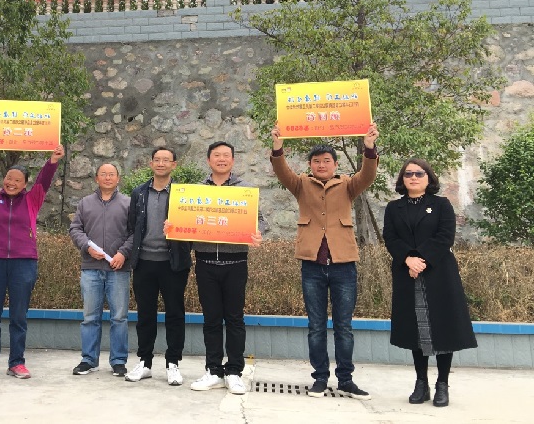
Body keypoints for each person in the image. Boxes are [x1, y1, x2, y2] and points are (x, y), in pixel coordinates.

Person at [270, 122, 379, 400]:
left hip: (344, 265)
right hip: (312, 266)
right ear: (310, 165)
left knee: (344, 327)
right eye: (316, 161)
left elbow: (368, 175)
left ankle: (346, 380)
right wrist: (278, 147)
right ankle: (319, 378)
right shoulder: (301, 184)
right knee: (316, 326)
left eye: (326, 161)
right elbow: (282, 171)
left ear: (335, 164)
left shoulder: (348, 185)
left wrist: (369, 148)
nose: (321, 165)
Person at [383, 158, 477, 408]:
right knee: (416, 328)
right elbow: (390, 237)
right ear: (402, 179)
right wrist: (408, 259)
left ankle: (442, 384)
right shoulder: (393, 208)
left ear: (429, 178)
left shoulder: (441, 204)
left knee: (442, 326)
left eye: (419, 173)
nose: (413, 177)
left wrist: (420, 260)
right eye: (408, 174)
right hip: (406, 273)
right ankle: (421, 383)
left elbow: (445, 236)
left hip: (438, 273)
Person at [0, 137, 65, 380]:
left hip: (24, 262)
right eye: (8, 178)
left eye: (17, 180)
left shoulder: (33, 199)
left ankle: (17, 363)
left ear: (25, 185)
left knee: (18, 316)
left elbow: (44, 180)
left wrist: (53, 161)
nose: (11, 183)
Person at [189, 141, 262, 395]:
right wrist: (173, 226)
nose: (221, 159)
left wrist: (257, 233)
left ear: (233, 160)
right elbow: (186, 221)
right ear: (208, 160)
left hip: (236, 264)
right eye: (216, 155)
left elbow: (260, 220)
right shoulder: (196, 191)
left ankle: (233, 372)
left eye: (226, 155)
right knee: (210, 319)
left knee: (234, 319)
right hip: (205, 263)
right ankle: (213, 370)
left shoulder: (245, 191)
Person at [125, 147, 192, 386]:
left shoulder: (183, 195)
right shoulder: (139, 193)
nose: (161, 163)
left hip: (173, 264)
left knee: (175, 314)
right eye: (157, 160)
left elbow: (193, 228)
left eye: (166, 160)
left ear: (174, 165)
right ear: (151, 164)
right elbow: (132, 226)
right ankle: (144, 362)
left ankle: (173, 363)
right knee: (145, 315)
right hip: (144, 263)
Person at [68, 163, 132, 377]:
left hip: (118, 268)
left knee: (119, 317)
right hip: (91, 268)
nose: (107, 177)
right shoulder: (85, 203)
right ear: (96, 178)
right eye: (103, 174)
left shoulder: (128, 203)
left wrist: (123, 253)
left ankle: (118, 361)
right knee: (90, 317)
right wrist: (87, 247)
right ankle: (88, 360)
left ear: (118, 178)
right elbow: (75, 229)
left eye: (111, 174)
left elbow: (135, 233)